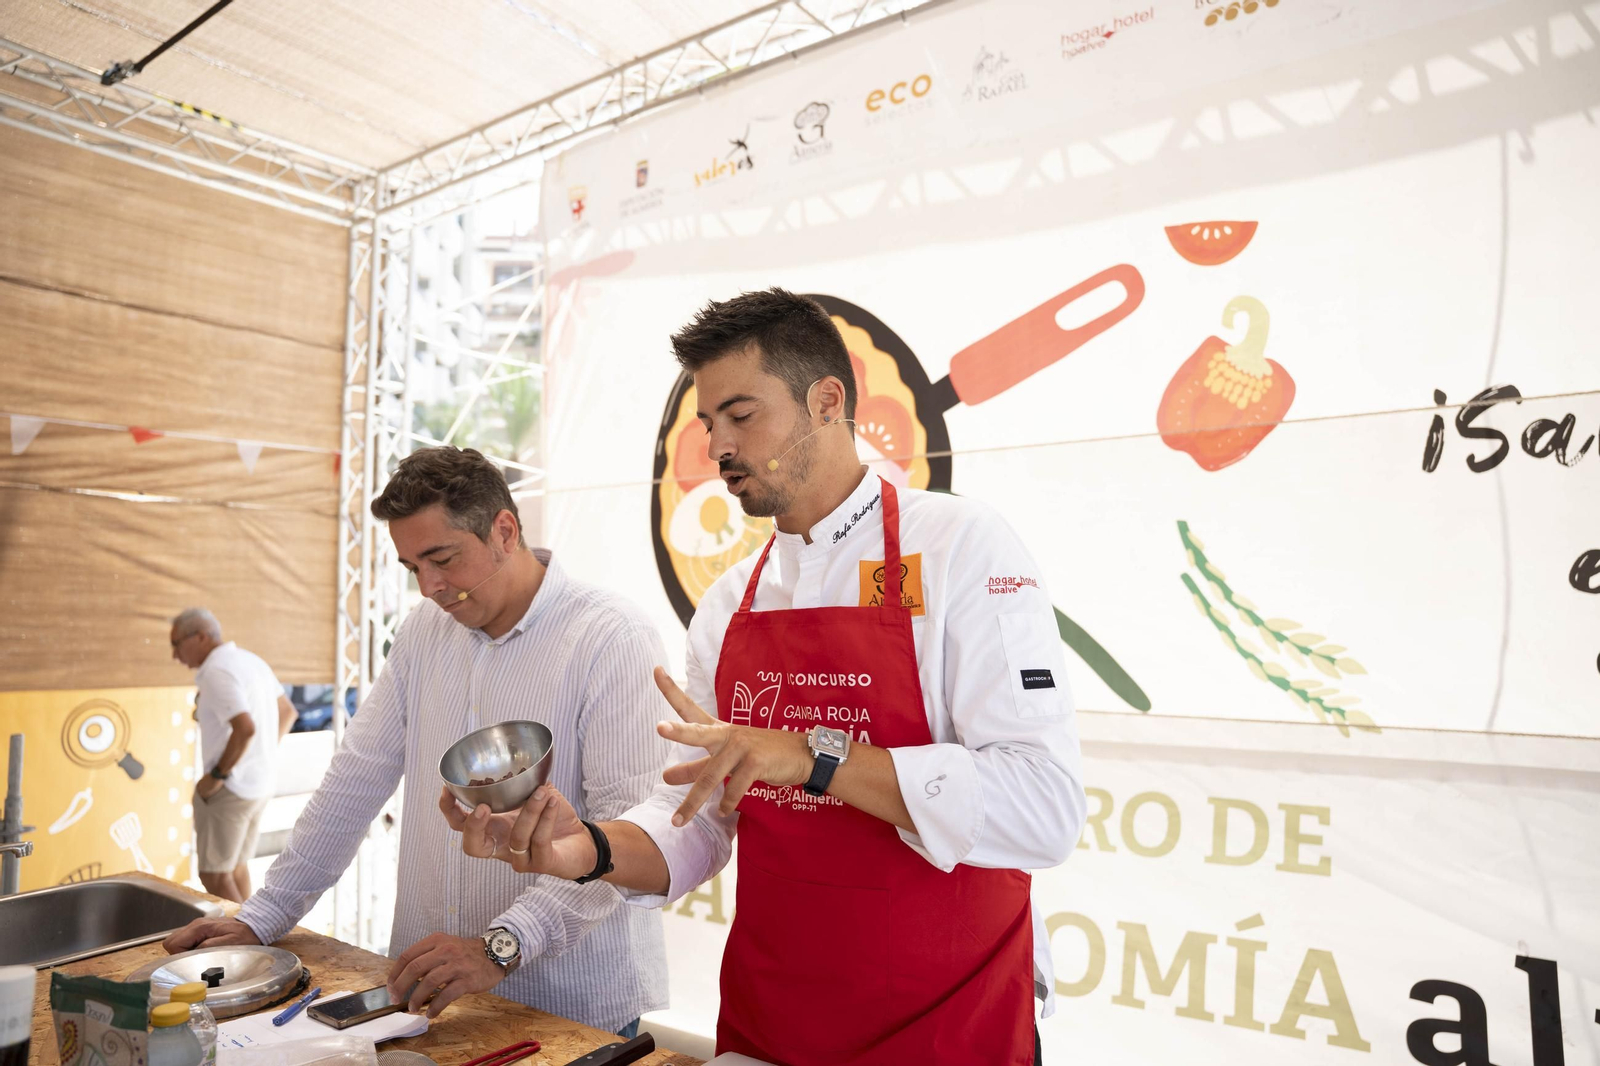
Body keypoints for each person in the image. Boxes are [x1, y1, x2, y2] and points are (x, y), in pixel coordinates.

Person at [449, 290, 1086, 1064]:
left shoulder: (961, 548)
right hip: (776, 1020)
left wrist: (816, 756)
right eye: (709, 424)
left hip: (948, 1018)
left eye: (741, 415)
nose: (717, 447)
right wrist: (583, 849)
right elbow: (700, 819)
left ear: (827, 401)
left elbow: (1045, 810)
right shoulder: (727, 606)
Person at [163, 447, 673, 1036]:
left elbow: (628, 838)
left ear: (504, 531)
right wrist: (265, 915)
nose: (429, 587)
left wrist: (501, 946)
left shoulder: (611, 637)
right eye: (412, 568)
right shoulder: (424, 632)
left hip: (571, 1005)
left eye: (442, 559)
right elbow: (355, 779)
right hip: (430, 992)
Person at [169, 608, 296, 903]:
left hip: (232, 788)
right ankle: (253, 937)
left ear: (201, 637)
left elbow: (245, 728)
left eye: (176, 644)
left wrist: (217, 776)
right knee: (235, 868)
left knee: (214, 875)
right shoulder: (250, 661)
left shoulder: (217, 671)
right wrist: (258, 755)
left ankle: (242, 941)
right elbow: (287, 712)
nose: (175, 656)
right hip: (257, 784)